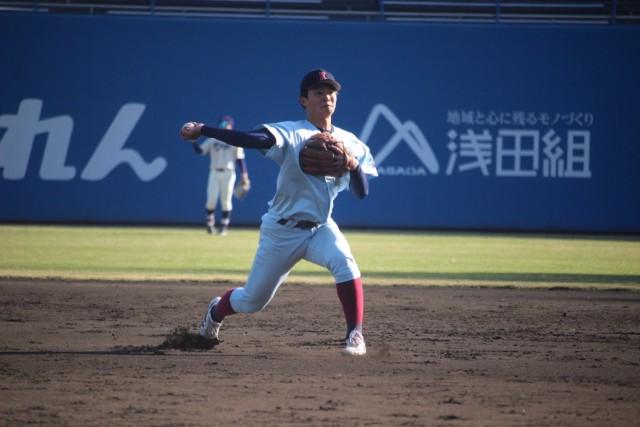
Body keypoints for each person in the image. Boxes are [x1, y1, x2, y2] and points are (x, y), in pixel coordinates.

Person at [180, 69, 377, 356]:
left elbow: (362, 192)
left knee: (346, 264)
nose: (326, 97)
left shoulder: (351, 143)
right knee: (251, 302)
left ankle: (355, 334)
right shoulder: (290, 132)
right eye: (318, 93)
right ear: (303, 101)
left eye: (330, 92)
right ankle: (215, 311)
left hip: (321, 227)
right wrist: (204, 130)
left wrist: (353, 165)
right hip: (282, 231)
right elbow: (252, 140)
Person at [188, 115, 249, 235]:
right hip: (214, 172)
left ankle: (224, 227)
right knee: (211, 200)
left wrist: (244, 173)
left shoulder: (235, 139)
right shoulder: (213, 139)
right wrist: (194, 142)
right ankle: (210, 224)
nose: (223, 126)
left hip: (228, 172)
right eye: (221, 124)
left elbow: (240, 158)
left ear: (231, 126)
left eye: (226, 124)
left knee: (226, 200)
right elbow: (201, 151)